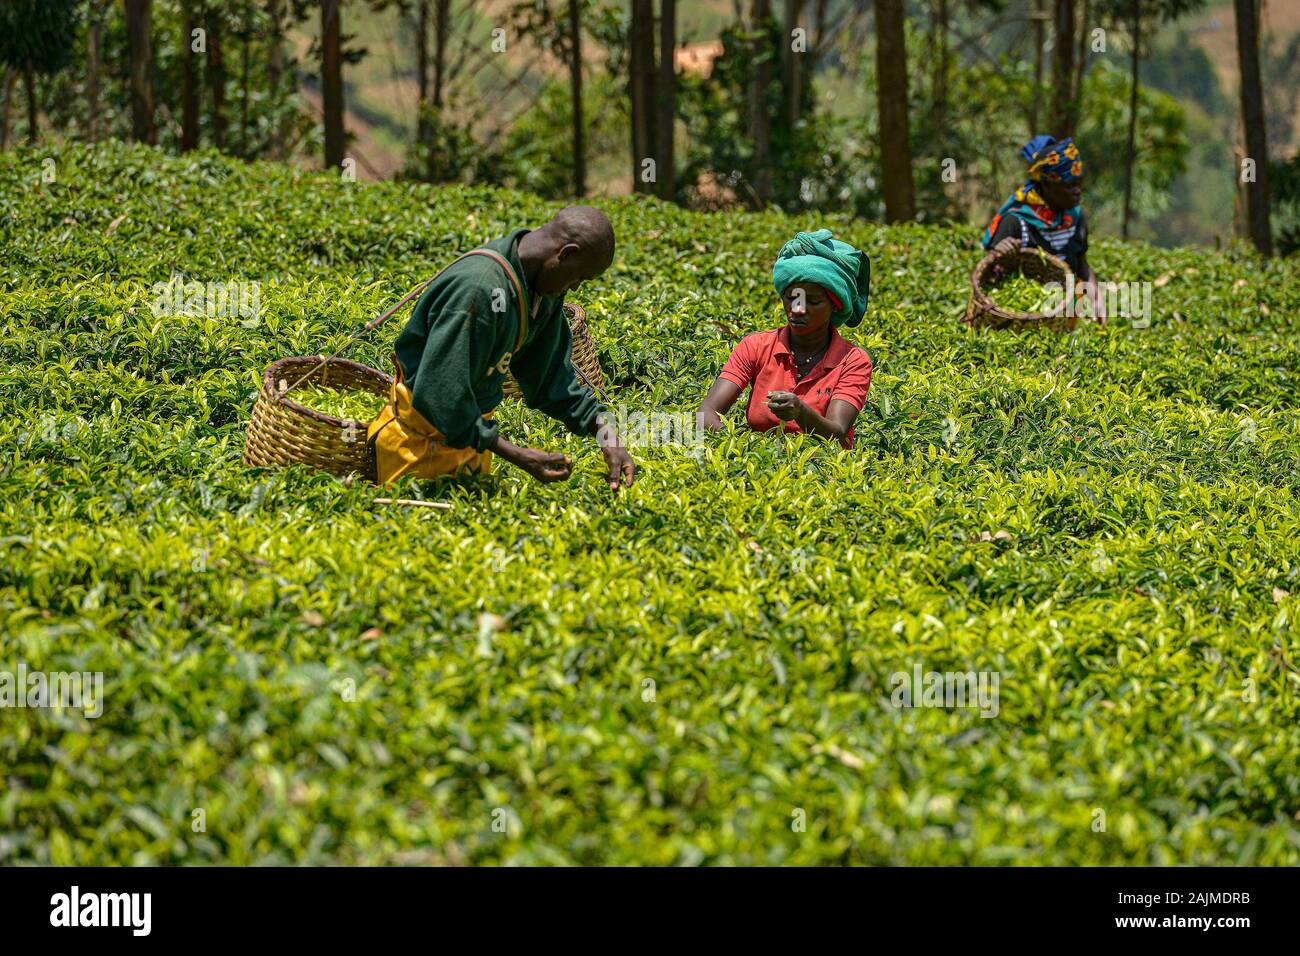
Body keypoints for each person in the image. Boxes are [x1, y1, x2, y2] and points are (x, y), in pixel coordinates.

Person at [368, 206, 636, 490]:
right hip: (415, 451)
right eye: (579, 277)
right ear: (566, 253)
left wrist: (604, 432)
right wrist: (518, 455)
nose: (576, 288)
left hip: (469, 447)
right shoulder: (478, 290)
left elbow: (548, 377)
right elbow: (440, 394)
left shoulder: (540, 289)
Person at [698, 230, 873, 449]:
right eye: (792, 298)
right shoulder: (756, 347)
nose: (798, 309)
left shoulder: (853, 361)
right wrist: (744, 450)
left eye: (813, 301)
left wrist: (801, 412)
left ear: (835, 305)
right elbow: (705, 414)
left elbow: (837, 433)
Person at [982, 135, 1106, 320]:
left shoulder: (1075, 217)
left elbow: (1081, 263)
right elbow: (989, 277)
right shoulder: (1016, 221)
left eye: (1079, 183)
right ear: (1047, 184)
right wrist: (999, 254)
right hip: (1022, 318)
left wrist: (1095, 296)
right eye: (1069, 186)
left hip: (1067, 309)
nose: (1077, 191)